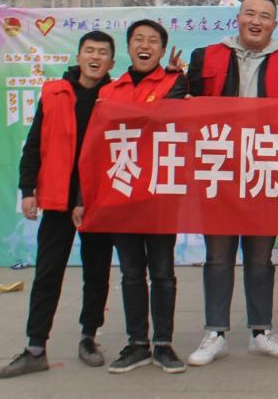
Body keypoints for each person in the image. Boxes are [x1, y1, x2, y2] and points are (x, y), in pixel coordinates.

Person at [185, 0, 278, 366]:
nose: (256, 21)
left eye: (264, 16)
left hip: (265, 171)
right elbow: (184, 108)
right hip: (219, 170)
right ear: (237, 18)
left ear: (275, 24)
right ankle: (215, 333)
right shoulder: (205, 57)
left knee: (259, 256)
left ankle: (261, 332)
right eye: (249, 13)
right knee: (218, 256)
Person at [0, 31, 117, 379]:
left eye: (103, 52)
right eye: (89, 51)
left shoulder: (115, 97)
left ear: (111, 62)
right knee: (48, 273)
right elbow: (34, 144)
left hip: (97, 201)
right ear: (78, 57)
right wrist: (27, 189)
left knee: (96, 273)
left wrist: (85, 199)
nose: (95, 57)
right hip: (57, 200)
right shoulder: (54, 93)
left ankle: (89, 338)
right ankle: (35, 348)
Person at [98, 19, 188, 374]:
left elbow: (165, 119)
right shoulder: (110, 89)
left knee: (162, 272)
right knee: (131, 273)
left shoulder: (175, 82)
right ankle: (137, 343)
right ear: (129, 47)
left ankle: (163, 343)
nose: (145, 45)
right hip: (121, 192)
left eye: (152, 40)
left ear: (162, 50)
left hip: (160, 193)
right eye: (138, 39)